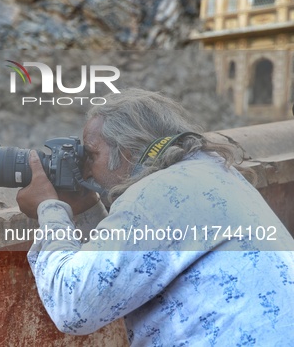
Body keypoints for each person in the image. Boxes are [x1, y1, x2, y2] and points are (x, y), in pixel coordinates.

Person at [16, 89, 294, 345]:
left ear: (126, 150)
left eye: (91, 155)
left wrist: (49, 208)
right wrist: (87, 209)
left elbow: (73, 305)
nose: (86, 172)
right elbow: (126, 263)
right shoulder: (210, 171)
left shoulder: (157, 194)